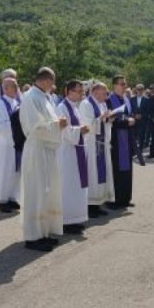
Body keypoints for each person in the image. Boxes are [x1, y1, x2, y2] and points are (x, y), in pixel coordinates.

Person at [19, 67, 68, 252]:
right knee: (36, 193)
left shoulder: (44, 97)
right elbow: (35, 128)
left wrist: (58, 123)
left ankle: (44, 232)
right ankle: (33, 237)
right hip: (37, 151)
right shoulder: (31, 98)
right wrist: (58, 124)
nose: (53, 85)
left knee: (46, 194)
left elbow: (49, 122)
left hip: (47, 151)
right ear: (47, 80)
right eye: (53, 82)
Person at [56, 80, 90, 235]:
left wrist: (82, 129)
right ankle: (65, 221)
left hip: (77, 150)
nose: (82, 94)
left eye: (82, 92)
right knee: (68, 186)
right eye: (79, 91)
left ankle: (75, 218)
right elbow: (64, 131)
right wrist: (80, 130)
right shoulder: (62, 107)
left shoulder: (75, 108)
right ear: (69, 92)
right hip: (67, 152)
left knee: (77, 186)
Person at [79, 81, 115, 218]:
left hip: (101, 144)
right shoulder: (86, 104)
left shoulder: (103, 103)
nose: (106, 96)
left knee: (101, 176)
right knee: (92, 175)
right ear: (95, 92)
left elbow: (103, 122)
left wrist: (108, 120)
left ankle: (98, 203)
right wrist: (103, 117)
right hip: (92, 144)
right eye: (104, 93)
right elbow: (88, 125)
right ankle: (90, 205)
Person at [0, 78, 21, 213]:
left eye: (17, 86)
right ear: (6, 88)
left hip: (16, 143)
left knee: (15, 171)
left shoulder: (16, 103)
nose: (17, 88)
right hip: (5, 143)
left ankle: (12, 197)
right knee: (4, 171)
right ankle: (2, 200)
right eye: (14, 86)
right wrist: (16, 127)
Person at [105, 75, 136, 209]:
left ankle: (125, 198)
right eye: (121, 84)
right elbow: (111, 119)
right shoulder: (109, 101)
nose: (124, 86)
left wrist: (132, 119)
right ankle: (115, 199)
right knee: (116, 169)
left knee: (127, 168)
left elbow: (131, 114)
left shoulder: (126, 99)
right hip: (115, 139)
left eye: (125, 83)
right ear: (114, 85)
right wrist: (126, 121)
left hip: (126, 137)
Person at [131, 84, 150, 151]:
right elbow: (131, 110)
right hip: (134, 120)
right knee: (134, 135)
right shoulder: (132, 99)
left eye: (141, 89)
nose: (139, 91)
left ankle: (140, 149)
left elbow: (148, 111)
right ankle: (134, 149)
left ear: (143, 90)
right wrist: (134, 115)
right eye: (138, 89)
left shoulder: (147, 99)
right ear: (136, 90)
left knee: (142, 135)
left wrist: (142, 115)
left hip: (143, 120)